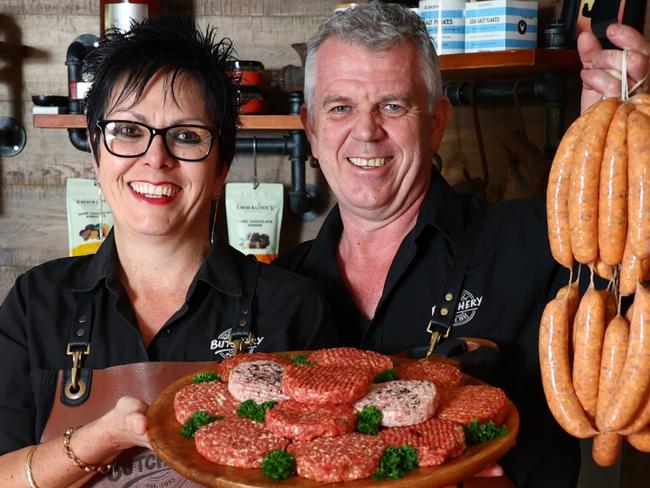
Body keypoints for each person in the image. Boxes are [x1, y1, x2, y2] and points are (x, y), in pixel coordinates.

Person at [275, 3, 650, 487]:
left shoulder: (541, 243)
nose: (366, 132)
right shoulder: (279, 288)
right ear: (310, 127)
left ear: (435, 123)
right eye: (340, 107)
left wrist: (624, 169)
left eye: (392, 105)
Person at [0, 15, 336, 487]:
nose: (156, 159)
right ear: (97, 151)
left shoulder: (290, 307)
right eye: (129, 131)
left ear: (221, 167)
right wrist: (102, 439)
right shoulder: (36, 302)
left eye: (186, 136)